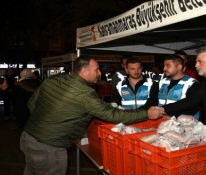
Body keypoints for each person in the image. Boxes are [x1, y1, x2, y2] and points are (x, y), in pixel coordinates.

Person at [20, 56, 164, 175]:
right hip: (49, 147)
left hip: (28, 137)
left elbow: (32, 104)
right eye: (96, 70)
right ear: (84, 70)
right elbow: (113, 115)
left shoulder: (53, 80)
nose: (100, 73)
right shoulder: (85, 94)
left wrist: (45, 122)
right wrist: (147, 113)